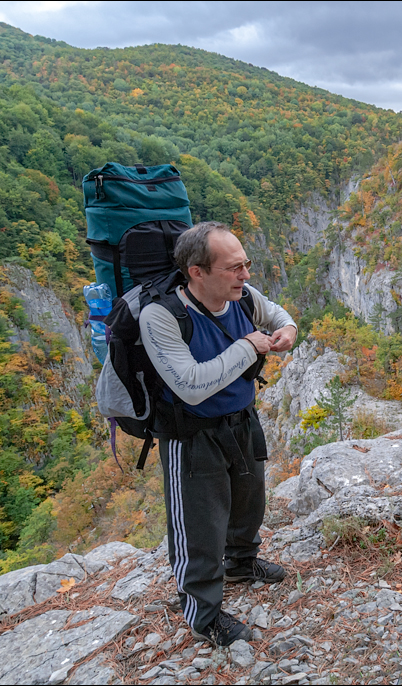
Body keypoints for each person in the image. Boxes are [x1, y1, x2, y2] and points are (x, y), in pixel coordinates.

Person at [140, 221, 297, 646]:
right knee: (200, 527)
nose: (246, 275)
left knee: (249, 503)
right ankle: (203, 615)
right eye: (234, 268)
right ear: (197, 271)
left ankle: (242, 564)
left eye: (246, 264)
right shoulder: (162, 316)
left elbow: (278, 314)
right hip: (191, 435)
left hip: (241, 420)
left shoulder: (242, 297)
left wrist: (286, 331)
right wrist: (248, 347)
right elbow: (190, 386)